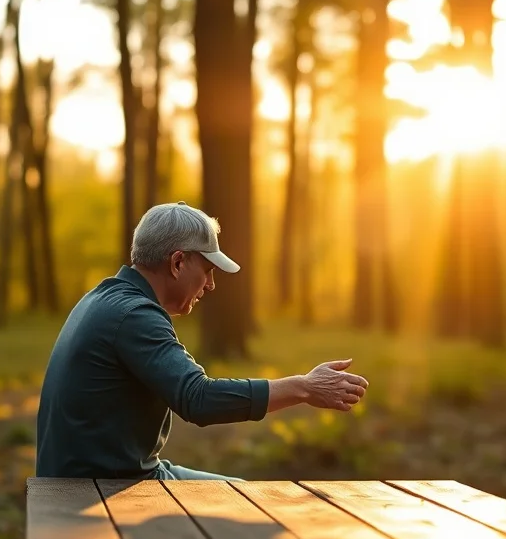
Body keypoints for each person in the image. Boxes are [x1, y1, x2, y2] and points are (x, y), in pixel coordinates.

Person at [35, 201, 369, 481]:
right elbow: (198, 398)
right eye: (207, 270)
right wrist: (304, 387)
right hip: (100, 489)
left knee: (240, 492)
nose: (210, 285)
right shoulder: (134, 315)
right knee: (244, 504)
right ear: (178, 263)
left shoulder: (106, 298)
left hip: (100, 477)